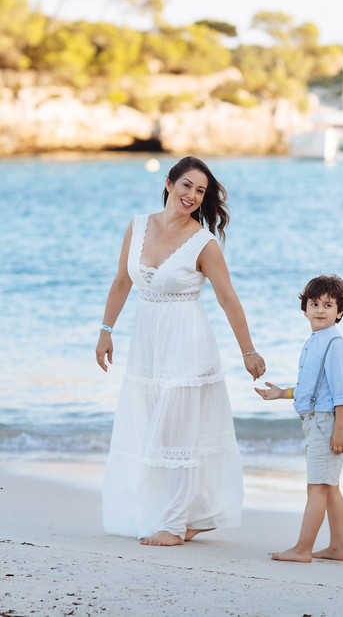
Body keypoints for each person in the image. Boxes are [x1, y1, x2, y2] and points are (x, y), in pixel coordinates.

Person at [96, 155, 266, 547]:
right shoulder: (138, 226)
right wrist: (106, 330)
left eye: (201, 191)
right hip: (147, 343)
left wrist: (248, 351)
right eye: (187, 185)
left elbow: (228, 298)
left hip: (187, 343)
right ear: (170, 183)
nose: (192, 195)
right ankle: (196, 516)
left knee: (178, 435)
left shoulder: (203, 243)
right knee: (152, 427)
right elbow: (122, 282)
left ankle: (173, 524)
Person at [255, 274, 343, 562]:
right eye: (314, 303)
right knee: (330, 487)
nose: (320, 310)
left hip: (328, 423)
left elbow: (342, 392)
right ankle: (337, 547)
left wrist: (340, 430)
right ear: (305, 308)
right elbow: (313, 388)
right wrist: (282, 393)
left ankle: (302, 549)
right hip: (319, 420)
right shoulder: (317, 340)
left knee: (317, 487)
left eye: (328, 304)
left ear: (340, 312)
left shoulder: (334, 343)